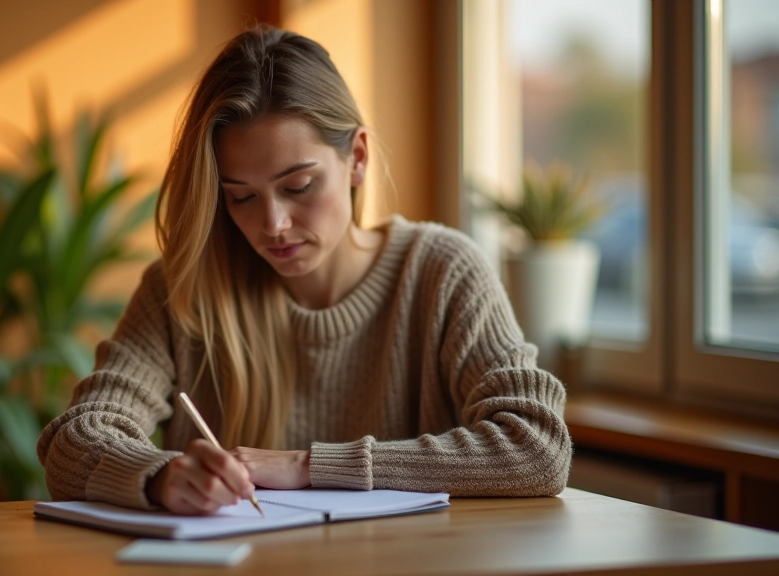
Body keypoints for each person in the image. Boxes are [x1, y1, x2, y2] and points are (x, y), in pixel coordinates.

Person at [37, 25, 571, 515]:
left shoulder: (441, 272)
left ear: (357, 157)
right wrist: (159, 477)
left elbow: (537, 446)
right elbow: (74, 439)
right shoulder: (184, 290)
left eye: (298, 187)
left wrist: (304, 466)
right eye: (241, 197)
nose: (273, 224)